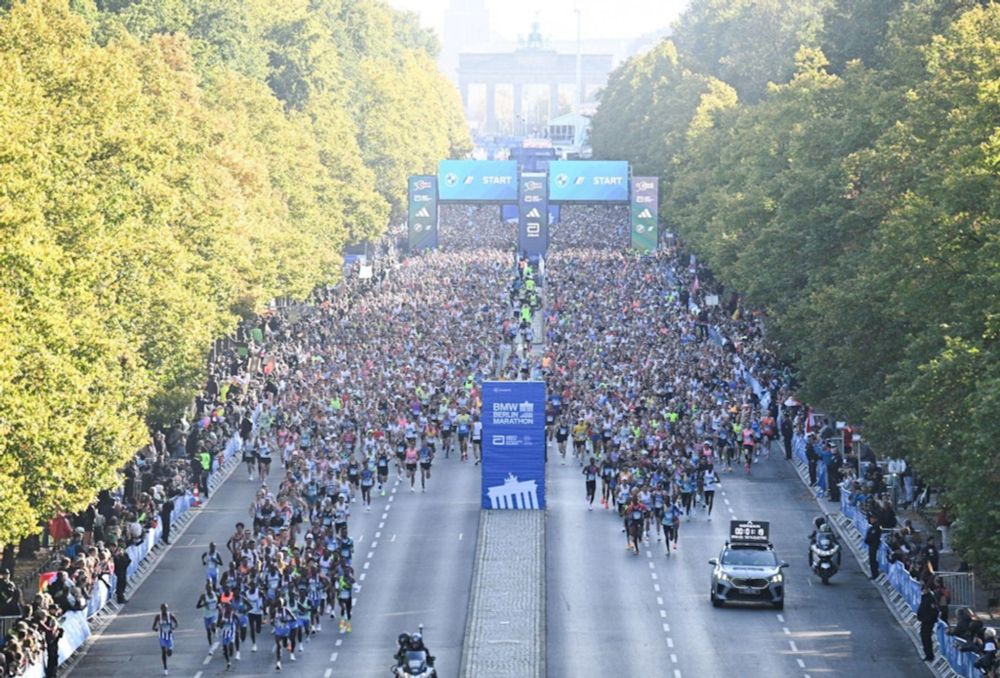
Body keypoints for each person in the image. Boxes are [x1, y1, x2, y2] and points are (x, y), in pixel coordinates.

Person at [153, 603, 178, 676]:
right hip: (162, 636)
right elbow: (153, 627)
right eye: (163, 609)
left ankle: (169, 650)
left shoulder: (171, 615)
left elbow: (177, 623)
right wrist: (156, 629)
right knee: (163, 651)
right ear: (161, 609)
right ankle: (165, 668)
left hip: (169, 636)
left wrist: (173, 627)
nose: (165, 610)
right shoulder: (158, 617)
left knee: (169, 653)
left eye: (166, 609)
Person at [917, 585, 939, 662]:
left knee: (926, 638)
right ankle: (927, 654)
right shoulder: (925, 597)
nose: (923, 591)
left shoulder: (930, 598)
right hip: (924, 621)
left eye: (924, 590)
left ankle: (930, 655)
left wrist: (928, 618)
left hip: (928, 621)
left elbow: (934, 611)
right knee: (924, 637)